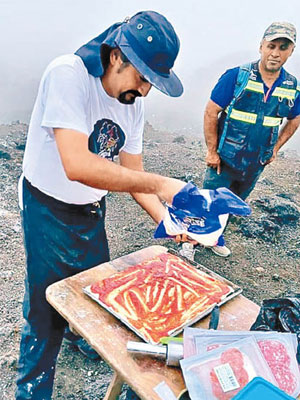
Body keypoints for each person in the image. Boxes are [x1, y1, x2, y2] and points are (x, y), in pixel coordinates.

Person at [16, 11, 186, 399]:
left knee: (98, 293)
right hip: (45, 206)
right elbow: (76, 165)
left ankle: (80, 336)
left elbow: (133, 176)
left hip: (91, 211)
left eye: (152, 84)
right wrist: (162, 183)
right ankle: (32, 389)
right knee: (45, 313)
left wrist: (171, 222)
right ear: (115, 57)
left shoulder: (133, 105)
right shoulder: (68, 74)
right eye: (142, 78)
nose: (144, 90)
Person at [202, 21, 300, 257]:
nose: (275, 53)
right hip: (225, 157)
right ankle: (191, 243)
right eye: (271, 45)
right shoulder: (237, 76)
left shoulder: (291, 85)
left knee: (232, 202)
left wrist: (276, 148)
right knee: (209, 201)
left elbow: (294, 119)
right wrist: (212, 151)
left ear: (291, 51)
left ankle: (215, 238)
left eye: (283, 48)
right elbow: (211, 112)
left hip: (256, 161)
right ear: (261, 46)